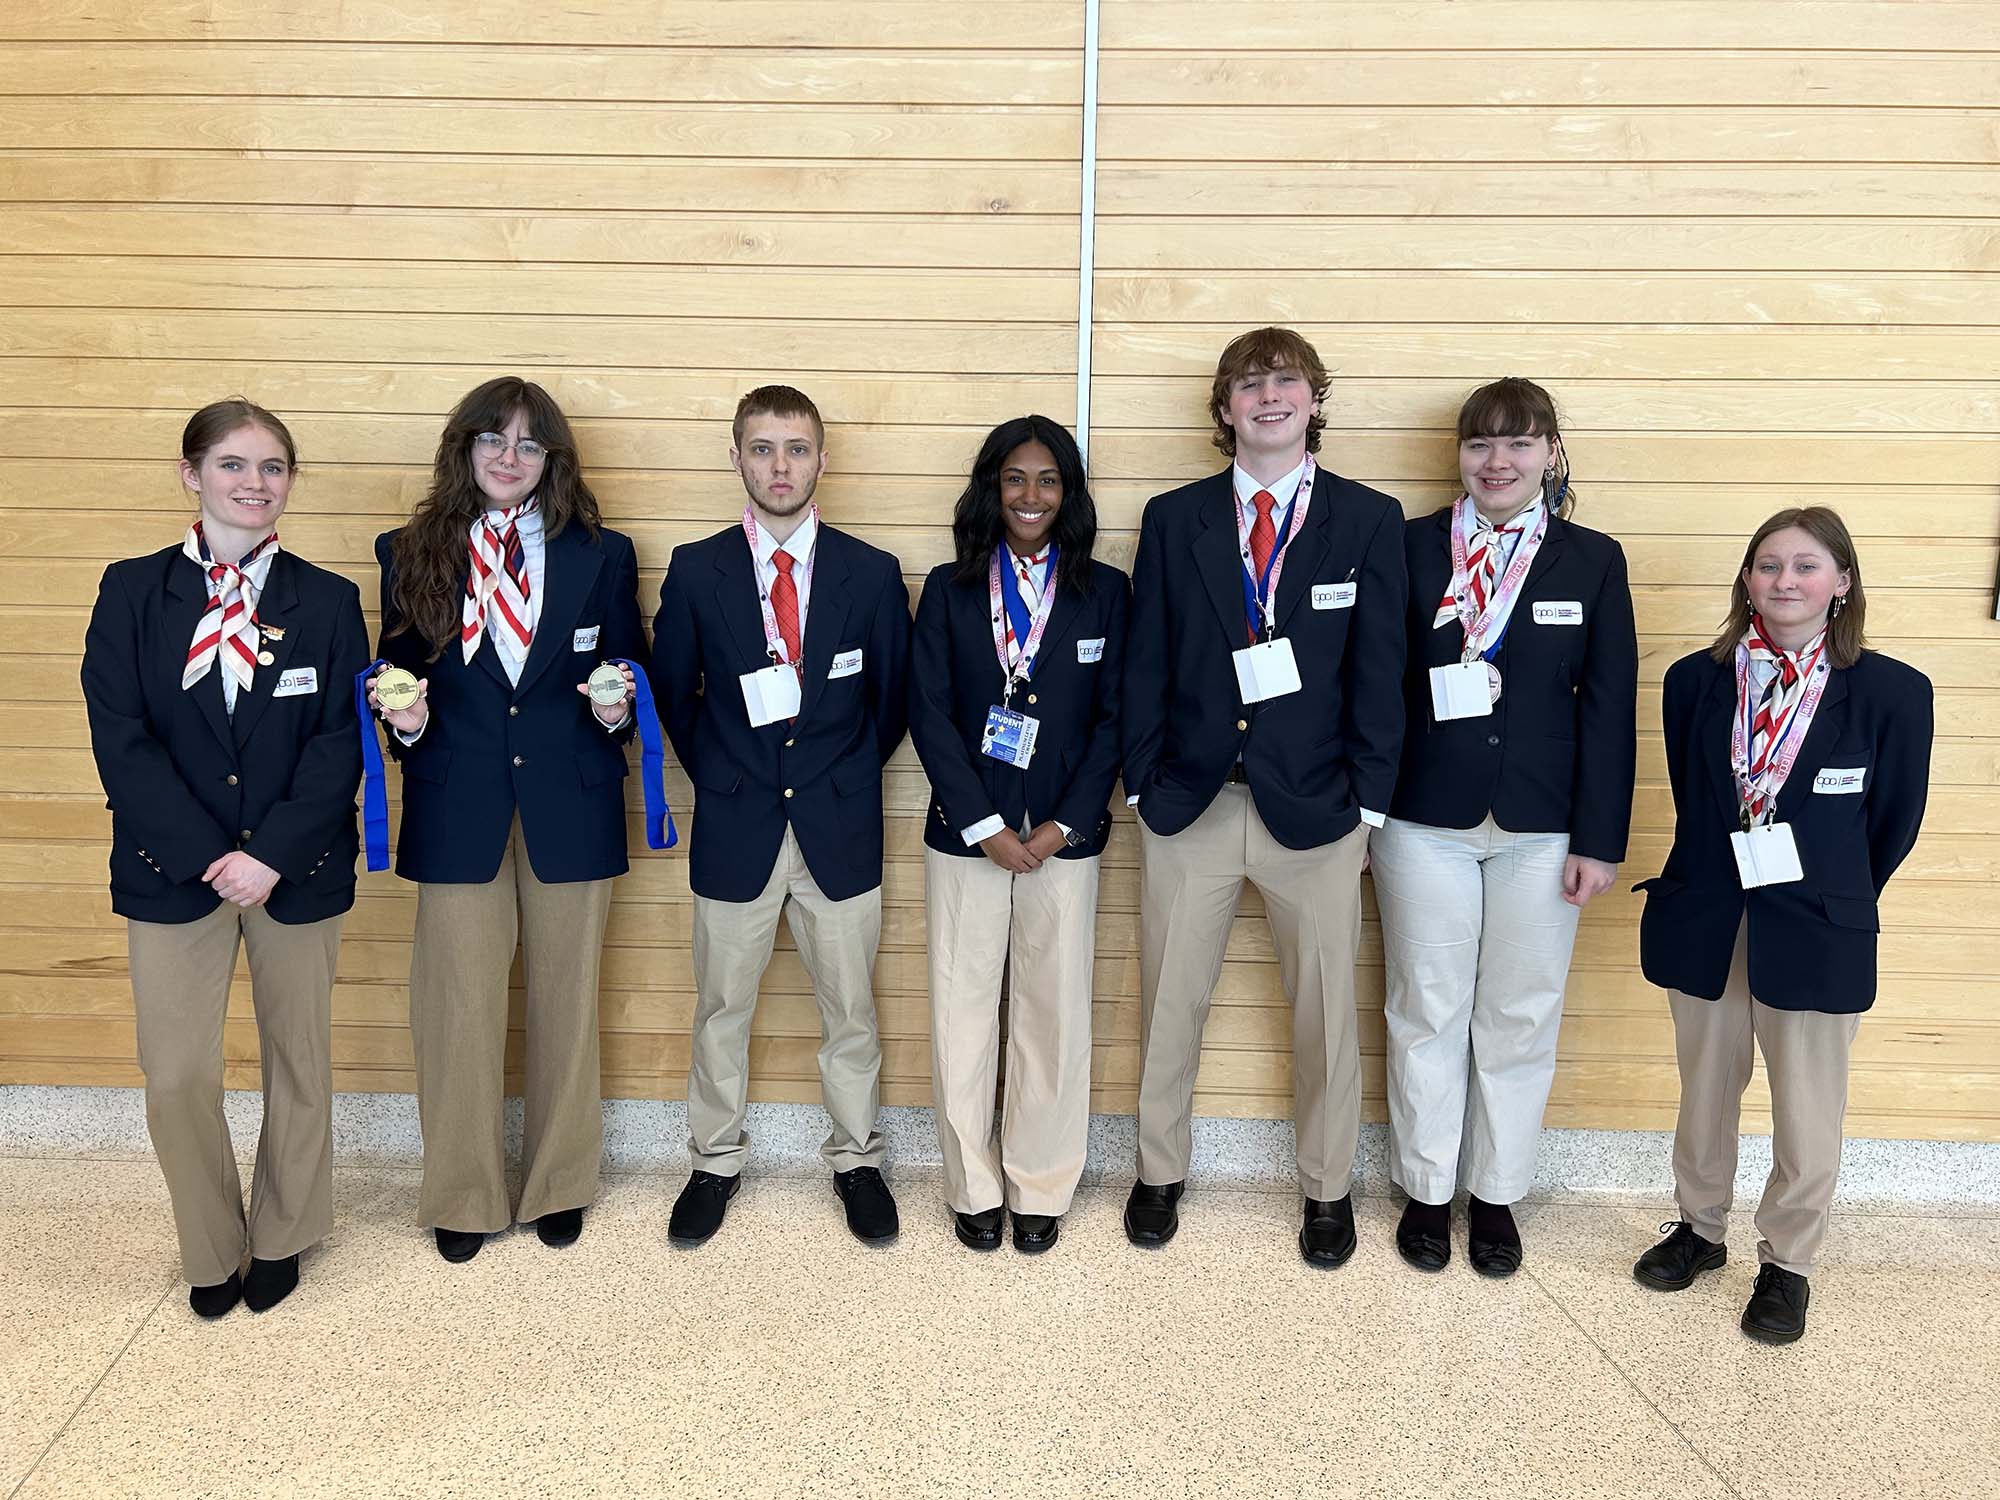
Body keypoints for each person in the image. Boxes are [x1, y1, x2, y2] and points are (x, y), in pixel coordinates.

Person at [1119, 327, 1408, 1265]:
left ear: (1315, 399)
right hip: (1190, 805)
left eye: (1285, 382)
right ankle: (1158, 1173)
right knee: (1168, 1001)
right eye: (1249, 385)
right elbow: (1145, 659)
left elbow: (1382, 674)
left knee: (1326, 1013)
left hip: (1320, 813)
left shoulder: (1368, 519)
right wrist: (1140, 784)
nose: (1269, 398)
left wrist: (1368, 808)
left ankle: (1328, 1192)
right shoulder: (1175, 517)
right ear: (1225, 407)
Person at [82, 399, 366, 1317]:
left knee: (300, 1063)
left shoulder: (325, 601)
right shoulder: (132, 591)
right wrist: (214, 857)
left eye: (273, 467)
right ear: (191, 473)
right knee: (176, 1075)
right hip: (173, 872)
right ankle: (210, 1245)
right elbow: (121, 741)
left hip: (297, 871)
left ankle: (283, 1234)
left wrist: (270, 857)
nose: (255, 484)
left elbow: (337, 745)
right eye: (234, 465)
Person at [1632, 507, 1932, 1344]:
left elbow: (1892, 825)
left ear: (1842, 582)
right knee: (1703, 1095)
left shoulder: (1894, 692)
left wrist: (1824, 891)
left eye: (1806, 567)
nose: (1785, 582)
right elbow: (1699, 804)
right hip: (1709, 913)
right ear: (1747, 580)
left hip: (1817, 925)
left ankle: (1788, 1263)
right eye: (1768, 566)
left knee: (1807, 1110)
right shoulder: (1697, 679)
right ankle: (1698, 1230)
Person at [371, 377, 645, 1263]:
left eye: (530, 444)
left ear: (552, 460)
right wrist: (402, 719)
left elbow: (626, 670)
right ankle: (463, 1190)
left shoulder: (601, 554)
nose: (509, 457)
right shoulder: (411, 549)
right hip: (458, 803)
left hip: (573, 798)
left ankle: (560, 1182)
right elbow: (396, 673)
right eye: (493, 438)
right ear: (464, 448)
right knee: (456, 1007)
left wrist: (613, 708)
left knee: (568, 1001)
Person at [1371, 378, 1637, 1277]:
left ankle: (1494, 1195)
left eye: (1519, 444)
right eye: (1482, 443)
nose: (1498, 462)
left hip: (1543, 826)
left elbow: (1608, 709)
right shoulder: (1407, 549)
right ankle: (1426, 1187)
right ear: (1460, 455)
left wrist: (1600, 838)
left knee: (1520, 1014)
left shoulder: (1592, 561)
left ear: (1552, 455)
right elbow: (1375, 688)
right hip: (1423, 816)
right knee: (1426, 1009)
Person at [649, 385, 911, 1246]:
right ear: (736, 458)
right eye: (762, 448)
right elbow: (673, 696)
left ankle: (858, 1160)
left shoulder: (869, 573)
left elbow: (892, 703)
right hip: (736, 827)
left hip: (838, 826)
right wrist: (723, 775)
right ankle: (713, 1163)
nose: (780, 465)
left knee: (852, 1011)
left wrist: (832, 776)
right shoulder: (697, 568)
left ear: (822, 459)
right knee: (721, 1008)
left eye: (796, 448)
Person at [908, 416, 1127, 1254]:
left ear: (1067, 494)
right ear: (990, 490)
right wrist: (988, 826)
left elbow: (1117, 719)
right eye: (1014, 480)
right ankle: (971, 1185)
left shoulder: (1106, 592)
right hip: (966, 839)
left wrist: (1064, 822)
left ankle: (1040, 1184)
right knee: (962, 1017)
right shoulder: (951, 586)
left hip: (1065, 842)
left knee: (1054, 1016)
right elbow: (927, 715)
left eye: (1047, 481)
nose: (1030, 496)